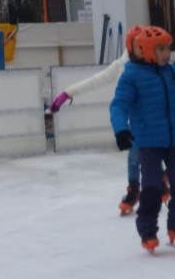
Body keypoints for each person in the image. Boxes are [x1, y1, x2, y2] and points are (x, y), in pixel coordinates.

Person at [109, 26, 175, 253]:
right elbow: (119, 105)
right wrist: (120, 129)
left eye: (168, 48)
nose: (167, 53)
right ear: (146, 50)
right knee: (152, 187)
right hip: (148, 143)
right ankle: (148, 230)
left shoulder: (174, 73)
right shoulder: (131, 75)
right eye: (161, 49)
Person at [49, 25, 151, 214]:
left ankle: (159, 183)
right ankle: (135, 190)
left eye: (144, 43)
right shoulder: (121, 66)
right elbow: (96, 80)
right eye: (137, 44)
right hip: (136, 122)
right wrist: (68, 93)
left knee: (154, 155)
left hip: (157, 120)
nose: (141, 48)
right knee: (135, 157)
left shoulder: (157, 66)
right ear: (130, 45)